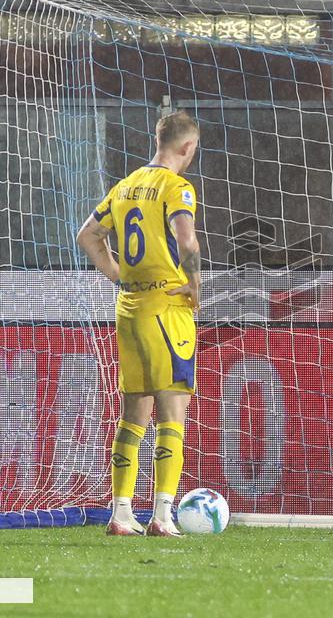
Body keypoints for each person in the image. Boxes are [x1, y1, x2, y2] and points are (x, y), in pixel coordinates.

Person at [77, 111, 202, 537]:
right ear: (187, 147)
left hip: (128, 307)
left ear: (157, 138)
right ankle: (163, 516)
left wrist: (117, 275)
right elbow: (186, 240)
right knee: (172, 411)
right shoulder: (176, 187)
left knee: (134, 413)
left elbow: (87, 236)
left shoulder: (125, 185)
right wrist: (195, 285)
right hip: (166, 305)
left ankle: (120, 513)